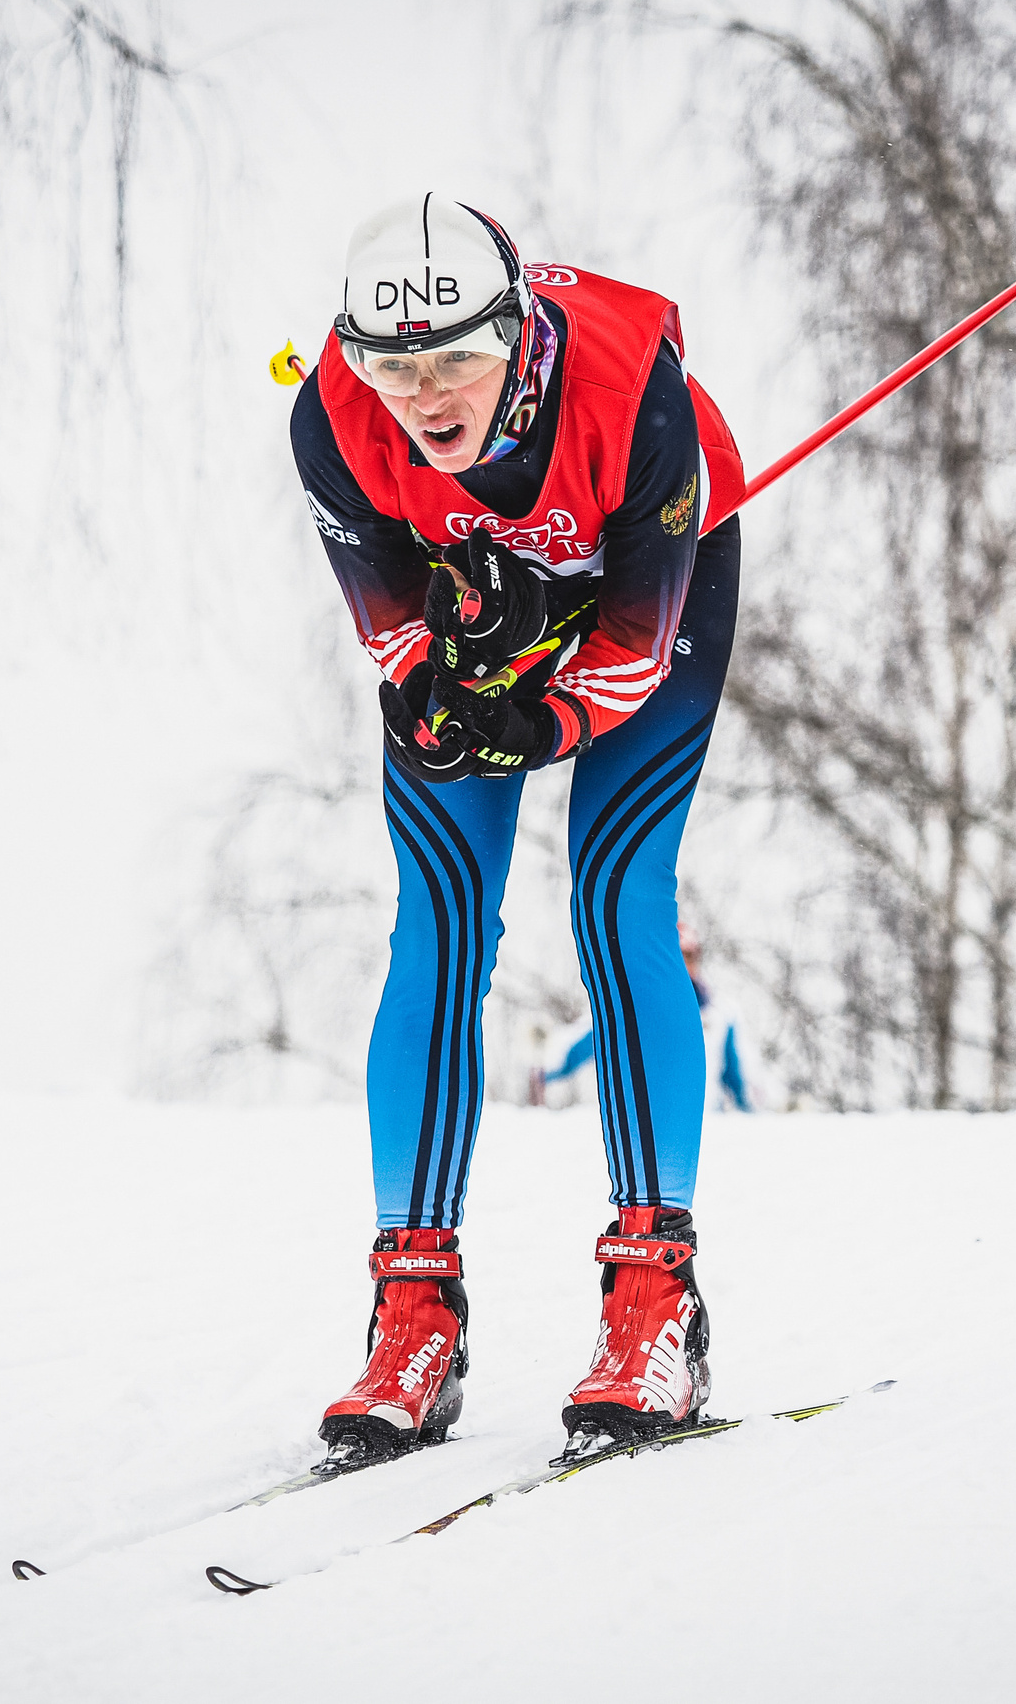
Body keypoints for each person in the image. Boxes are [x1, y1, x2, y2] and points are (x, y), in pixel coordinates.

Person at [290, 193, 745, 1462]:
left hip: (655, 576)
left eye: (453, 361)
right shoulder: (333, 419)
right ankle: (412, 1317)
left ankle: (655, 1303)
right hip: (473, 597)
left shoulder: (631, 392)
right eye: (393, 365)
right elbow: (391, 636)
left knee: (615, 897)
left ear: (518, 341)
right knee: (435, 922)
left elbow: (631, 656)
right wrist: (449, 686)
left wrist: (537, 724)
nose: (423, 395)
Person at [544, 919, 752, 1115]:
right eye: (677, 956)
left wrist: (750, 1114)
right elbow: (594, 1040)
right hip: (655, 1123)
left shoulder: (719, 1014)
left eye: (689, 956)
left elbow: (732, 1073)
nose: (684, 965)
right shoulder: (637, 1009)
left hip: (706, 1121)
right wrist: (547, 1074)